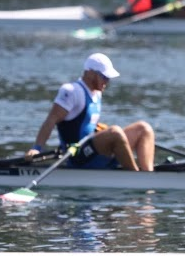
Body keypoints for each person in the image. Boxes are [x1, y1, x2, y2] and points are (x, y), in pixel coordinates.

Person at [26, 53, 155, 172]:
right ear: (90, 73)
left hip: (93, 152)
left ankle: (148, 175)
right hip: (77, 154)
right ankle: (135, 178)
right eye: (104, 77)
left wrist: (98, 129)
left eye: (108, 78)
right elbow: (51, 120)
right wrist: (36, 149)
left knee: (143, 128)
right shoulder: (72, 91)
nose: (107, 82)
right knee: (115, 132)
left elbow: (83, 121)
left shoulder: (97, 93)